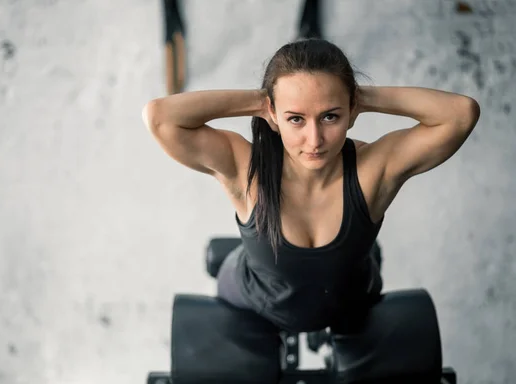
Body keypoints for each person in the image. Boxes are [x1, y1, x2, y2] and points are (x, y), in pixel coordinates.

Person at [142, 38, 480, 334]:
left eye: (330, 116)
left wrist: (360, 96)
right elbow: (159, 116)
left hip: (350, 297)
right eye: (296, 119)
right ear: (273, 114)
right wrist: (262, 101)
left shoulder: (373, 169)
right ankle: (239, 254)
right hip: (254, 292)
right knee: (238, 265)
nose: (314, 139)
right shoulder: (246, 167)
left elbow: (461, 113)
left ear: (351, 110)